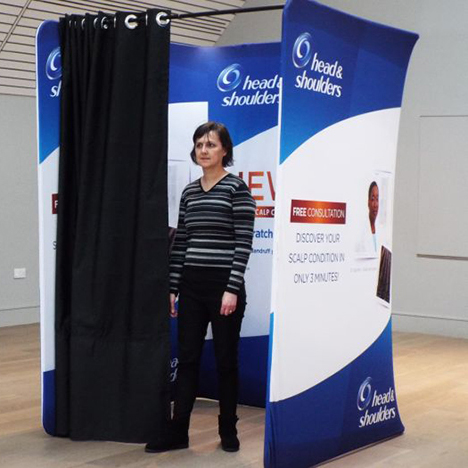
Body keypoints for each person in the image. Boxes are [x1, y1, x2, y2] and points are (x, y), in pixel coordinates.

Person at [146, 121, 256, 454]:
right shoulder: (189, 193)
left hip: (224, 287)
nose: (203, 150)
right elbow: (181, 243)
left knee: (226, 361)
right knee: (188, 358)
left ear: (225, 150)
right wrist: (173, 287)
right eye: (199, 145)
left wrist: (232, 288)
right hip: (191, 287)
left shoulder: (238, 190)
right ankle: (178, 430)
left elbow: (244, 243)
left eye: (210, 144)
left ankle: (228, 430)